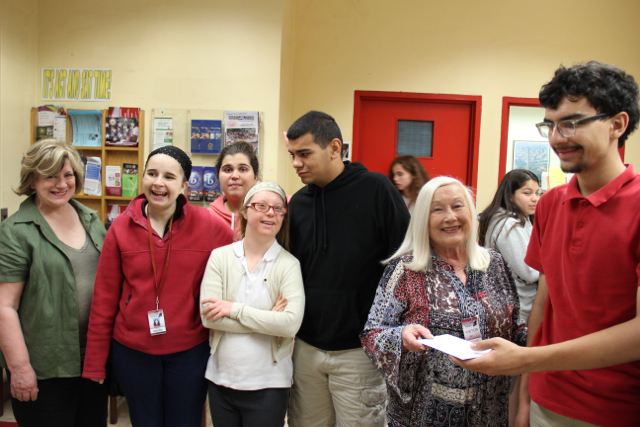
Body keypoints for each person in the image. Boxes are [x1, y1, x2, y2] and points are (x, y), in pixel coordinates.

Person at [454, 61, 640, 427]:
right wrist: (524, 395)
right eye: (550, 125)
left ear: (617, 124)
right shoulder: (552, 204)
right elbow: (544, 300)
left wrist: (525, 361)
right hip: (545, 401)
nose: (556, 138)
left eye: (571, 123)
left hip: (614, 409)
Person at [82, 146, 233, 427]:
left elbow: (242, 261)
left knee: (185, 422)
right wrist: (95, 361)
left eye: (169, 176)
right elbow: (103, 299)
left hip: (189, 351)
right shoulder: (120, 228)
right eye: (152, 174)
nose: (158, 183)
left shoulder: (209, 227)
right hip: (133, 353)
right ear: (142, 178)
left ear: (184, 185)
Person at [360, 176, 526, 427]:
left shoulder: (495, 264)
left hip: (488, 409)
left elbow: (516, 328)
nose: (450, 217)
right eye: (438, 209)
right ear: (423, 220)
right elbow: (372, 334)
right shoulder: (405, 269)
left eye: (458, 206)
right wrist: (401, 336)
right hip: (422, 413)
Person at [284, 111, 410, 426]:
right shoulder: (297, 204)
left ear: (335, 148)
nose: (296, 163)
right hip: (307, 348)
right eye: (292, 155)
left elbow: (407, 262)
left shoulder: (376, 190)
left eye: (304, 154)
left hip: (359, 350)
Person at [0, 139, 108, 427]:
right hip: (45, 365)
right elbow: (5, 307)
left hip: (92, 360)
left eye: (68, 175)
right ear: (32, 180)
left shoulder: (90, 219)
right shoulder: (15, 232)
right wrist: (20, 369)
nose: (61, 184)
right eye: (50, 175)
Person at [200, 181, 305, 427]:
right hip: (221, 380)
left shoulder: (289, 265)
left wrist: (234, 310)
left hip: (270, 384)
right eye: (261, 206)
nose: (270, 212)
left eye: (278, 209)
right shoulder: (220, 257)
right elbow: (208, 316)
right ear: (245, 212)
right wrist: (268, 319)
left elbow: (289, 325)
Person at [478, 169, 540, 323]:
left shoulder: (521, 219)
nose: (535, 199)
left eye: (537, 193)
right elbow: (529, 271)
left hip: (516, 305)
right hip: (518, 309)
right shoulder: (509, 224)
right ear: (510, 196)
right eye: (527, 193)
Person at [208, 141, 259, 240]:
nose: (235, 176)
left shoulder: (269, 214)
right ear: (218, 176)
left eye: (243, 169)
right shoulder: (207, 218)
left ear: (255, 176)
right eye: (228, 170)